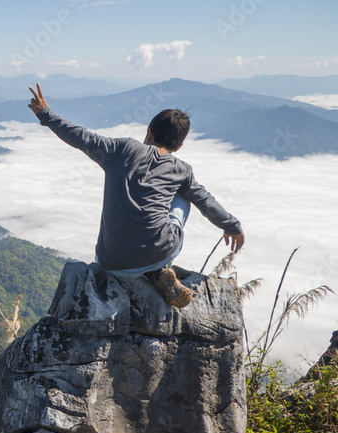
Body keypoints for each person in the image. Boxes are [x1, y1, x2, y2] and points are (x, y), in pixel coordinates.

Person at [27, 83, 244, 308]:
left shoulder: (122, 150)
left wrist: (45, 114)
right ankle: (158, 270)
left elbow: (81, 138)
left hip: (111, 262)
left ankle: (154, 273)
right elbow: (205, 200)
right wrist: (232, 226)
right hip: (160, 252)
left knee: (181, 190)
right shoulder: (182, 169)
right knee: (185, 194)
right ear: (178, 146)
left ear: (148, 132)